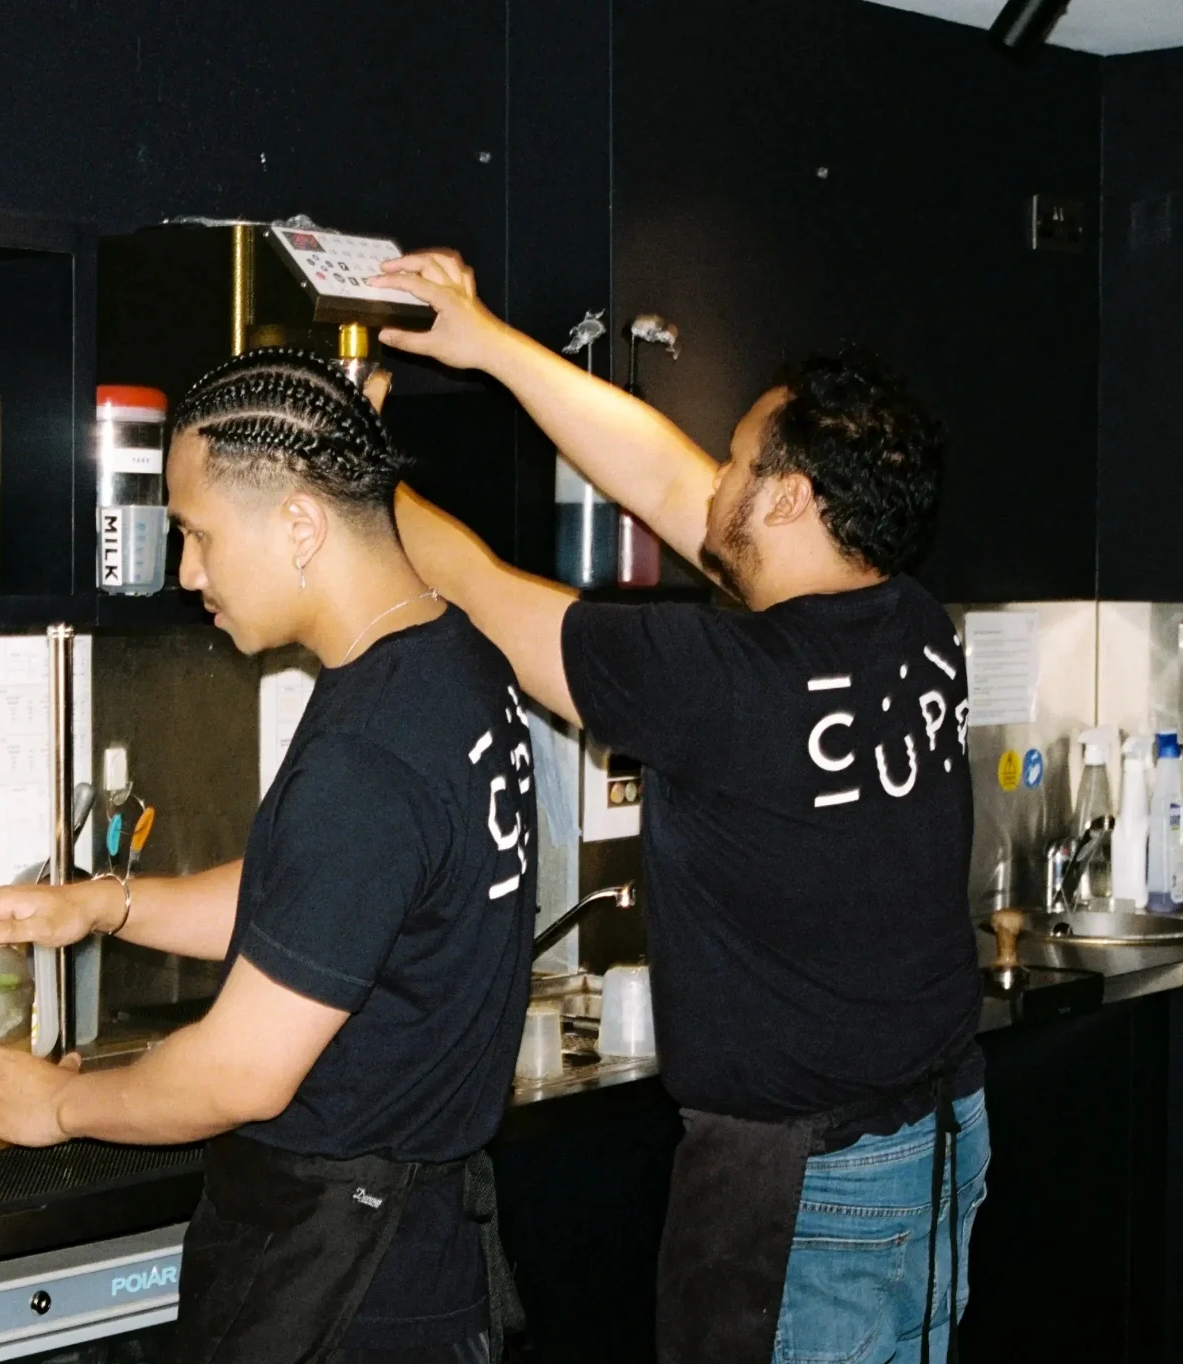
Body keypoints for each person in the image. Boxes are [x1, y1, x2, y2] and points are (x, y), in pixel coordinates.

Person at [368, 249, 987, 1364]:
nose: (712, 482)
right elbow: (666, 481)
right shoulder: (911, 623)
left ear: (792, 496)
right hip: (935, 1137)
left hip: (805, 1189)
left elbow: (480, 593)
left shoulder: (716, 676)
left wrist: (359, 471)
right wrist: (487, 342)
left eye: (740, 461)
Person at [0, 348, 536, 1364]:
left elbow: (240, 1072)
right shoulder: (450, 664)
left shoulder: (368, 751)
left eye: (197, 533)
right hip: (418, 1251)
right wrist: (106, 904)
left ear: (297, 522)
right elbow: (321, 903)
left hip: (348, 1281)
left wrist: (56, 1102)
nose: (187, 569)